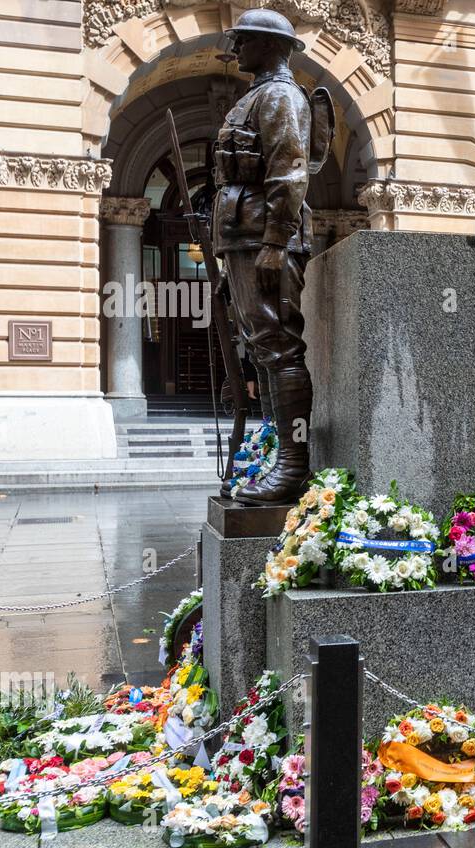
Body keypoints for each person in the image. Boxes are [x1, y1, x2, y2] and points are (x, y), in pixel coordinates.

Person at [213, 9, 315, 505]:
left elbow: (289, 171)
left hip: (263, 239)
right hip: (243, 237)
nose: (236, 50)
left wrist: (276, 241)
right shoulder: (255, 96)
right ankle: (279, 457)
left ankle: (293, 468)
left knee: (278, 348)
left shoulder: (278, 95)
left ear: (271, 45)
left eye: (244, 41)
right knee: (263, 349)